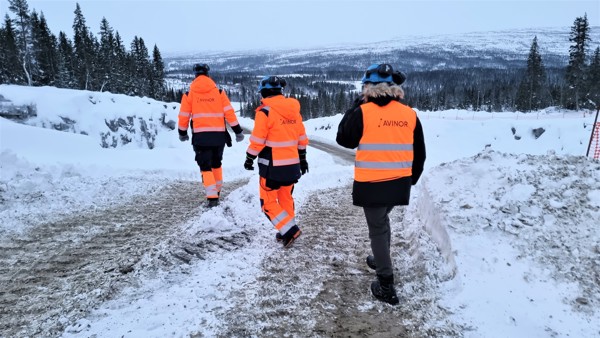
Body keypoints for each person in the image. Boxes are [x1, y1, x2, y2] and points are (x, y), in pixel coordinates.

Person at [336, 63, 426, 305]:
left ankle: (386, 284)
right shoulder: (409, 114)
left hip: (372, 183)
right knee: (382, 222)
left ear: (368, 87)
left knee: (377, 229)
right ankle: (380, 257)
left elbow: (343, 138)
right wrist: (411, 179)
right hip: (399, 184)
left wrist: (356, 105)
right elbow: (420, 153)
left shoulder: (363, 112)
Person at [244, 75, 309, 248]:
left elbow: (258, 140)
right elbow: (302, 138)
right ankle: (285, 230)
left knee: (268, 203)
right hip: (292, 166)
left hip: (271, 168)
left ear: (264, 92)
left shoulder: (265, 112)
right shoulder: (294, 112)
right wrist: (303, 160)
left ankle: (289, 230)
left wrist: (249, 158)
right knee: (285, 198)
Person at [178, 63, 245, 208]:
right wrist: (238, 131)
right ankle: (217, 191)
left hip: (201, 138)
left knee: (205, 167)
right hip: (219, 137)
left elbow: (184, 116)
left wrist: (182, 133)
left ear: (195, 76)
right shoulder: (219, 92)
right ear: (208, 75)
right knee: (217, 164)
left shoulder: (189, 95)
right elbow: (229, 113)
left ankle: (212, 197)